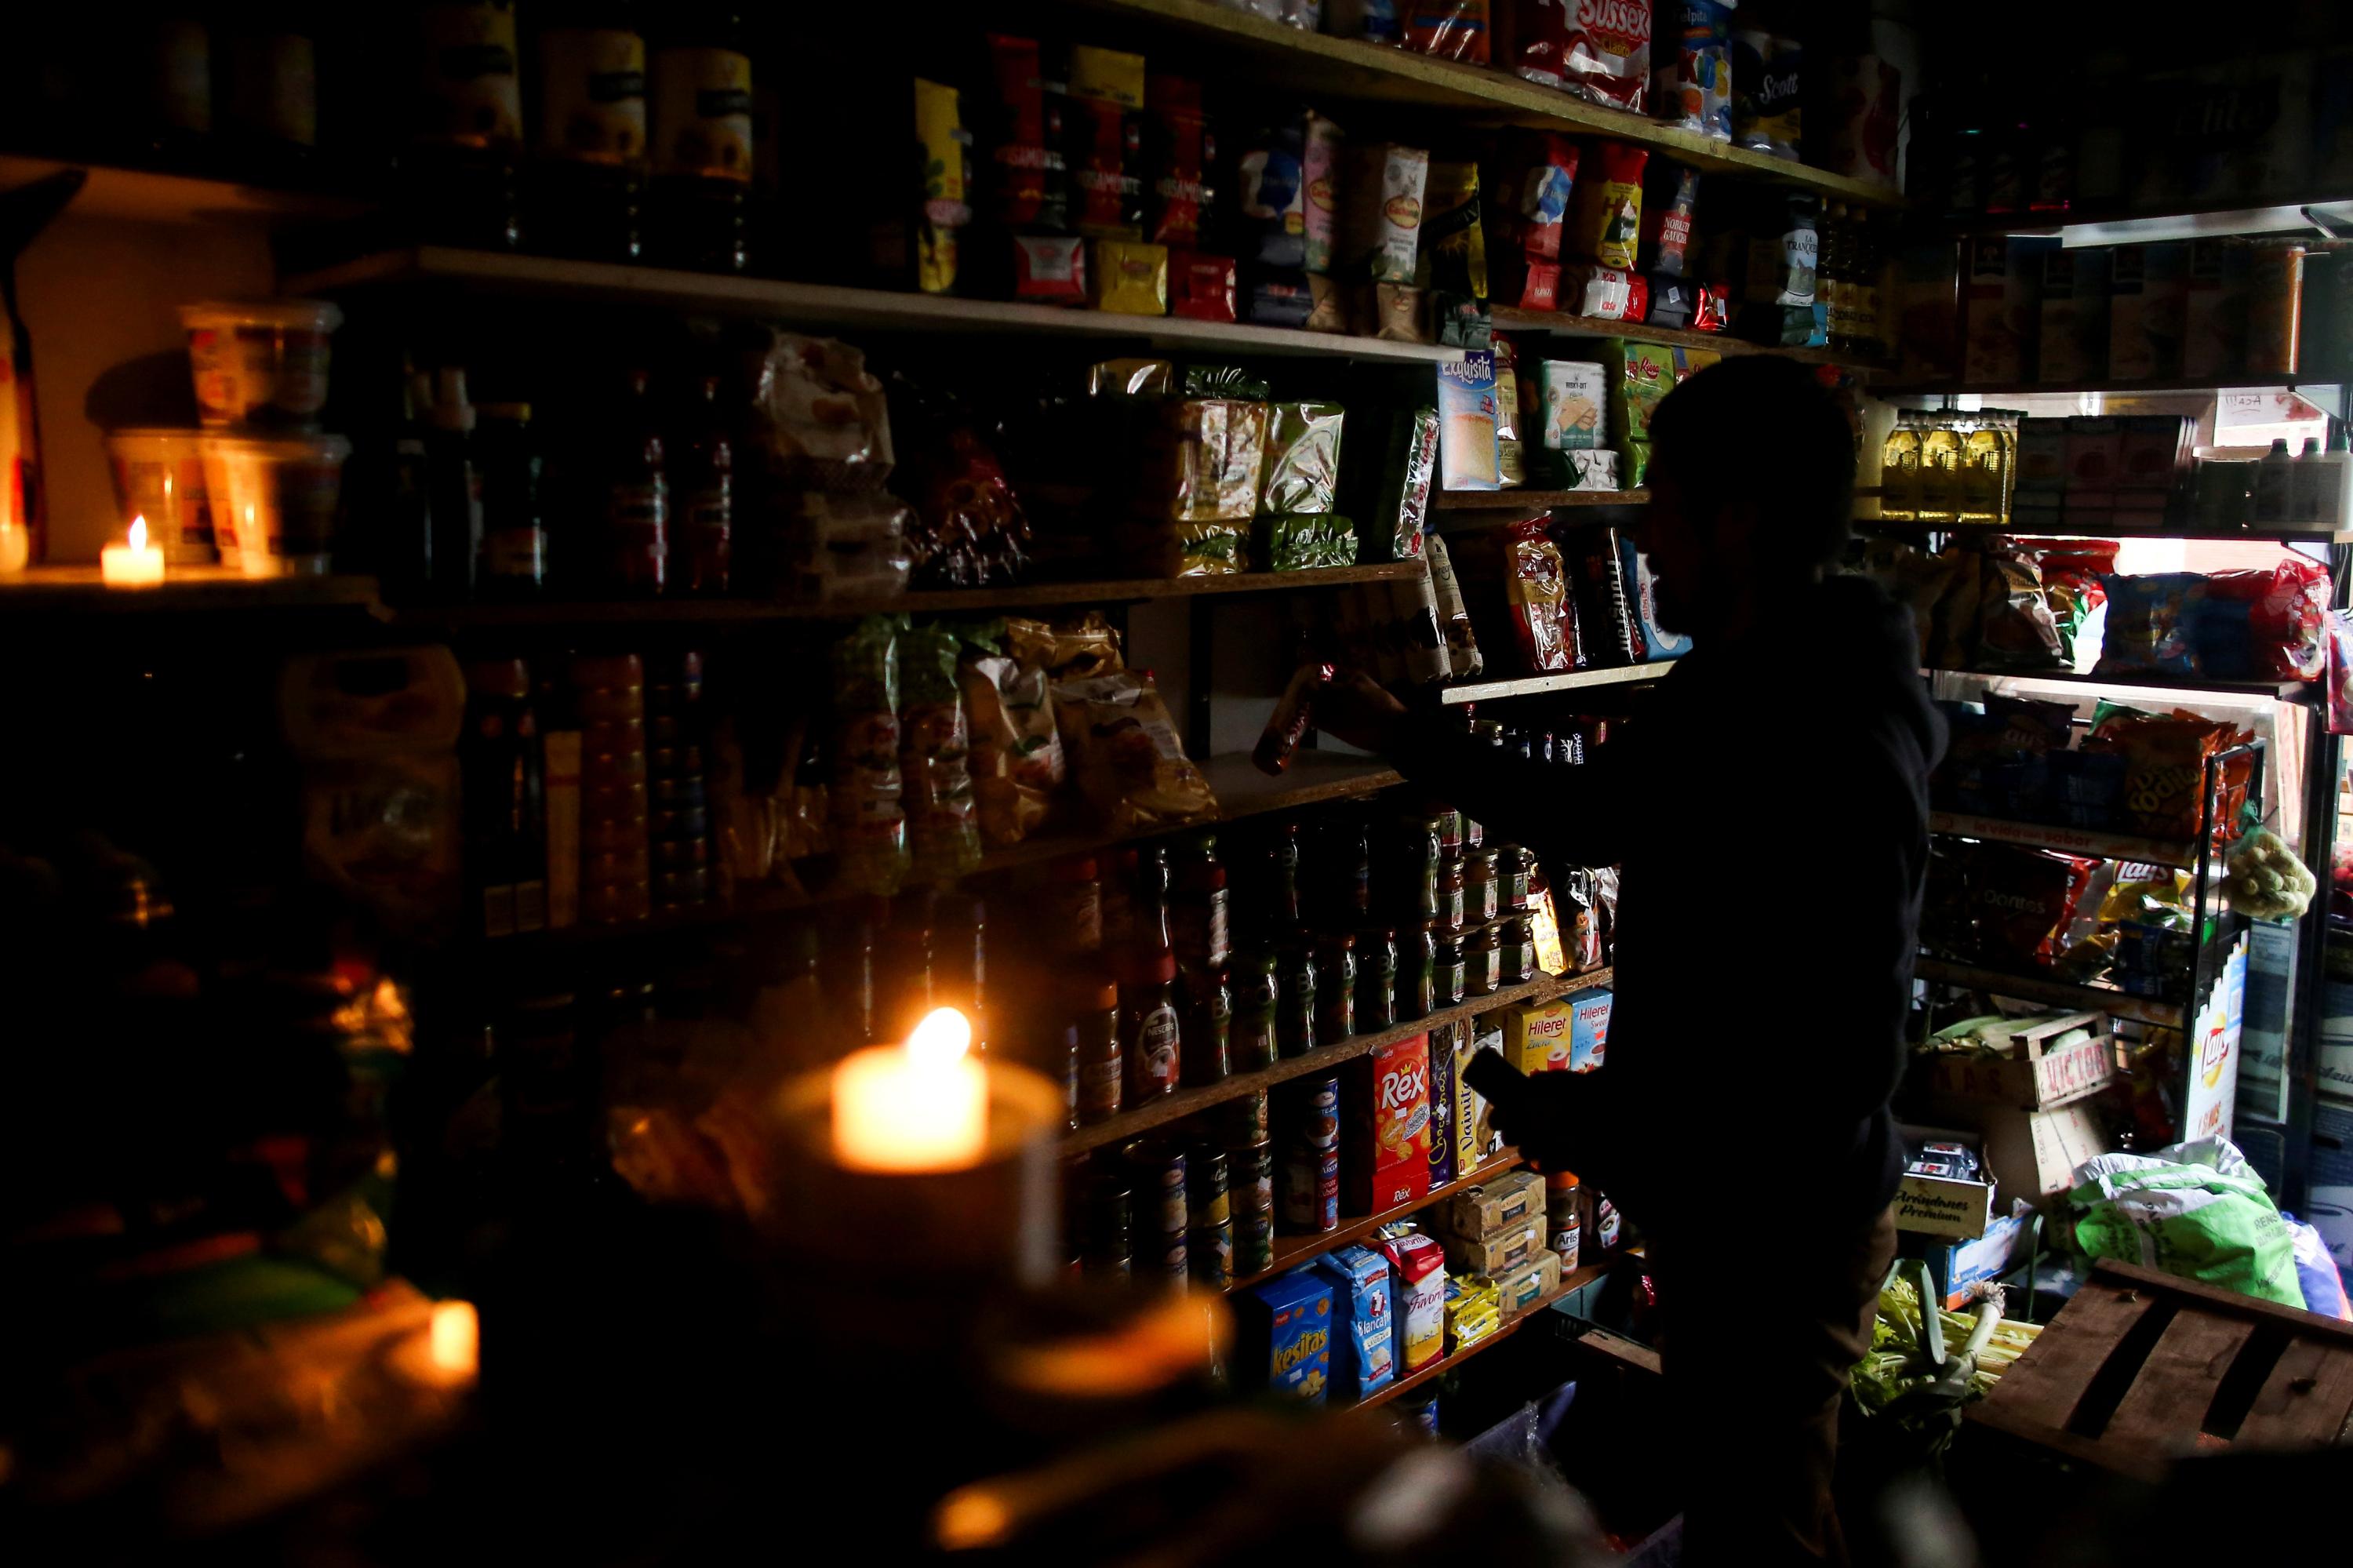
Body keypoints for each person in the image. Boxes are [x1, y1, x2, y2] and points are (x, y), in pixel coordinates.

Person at [1315, 356, 1944, 1566]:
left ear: (1737, 519)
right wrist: (1399, 733)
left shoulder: (1825, 723)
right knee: (1758, 1513)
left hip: (1780, 1229)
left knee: (1758, 1538)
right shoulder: (1754, 676)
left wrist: (1637, 1133)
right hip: (1745, 1205)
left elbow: (1835, 1052)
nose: (1646, 536)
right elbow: (1603, 821)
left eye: (1664, 502)